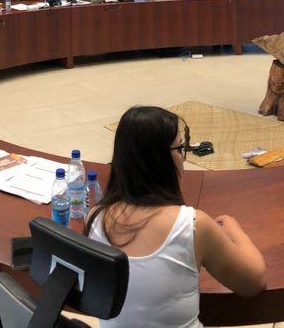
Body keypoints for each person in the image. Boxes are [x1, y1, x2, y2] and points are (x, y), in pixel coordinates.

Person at [86, 107, 266, 327]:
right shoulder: (193, 225)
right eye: (180, 148)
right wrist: (234, 230)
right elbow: (254, 282)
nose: (183, 158)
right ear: (159, 159)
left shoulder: (95, 218)